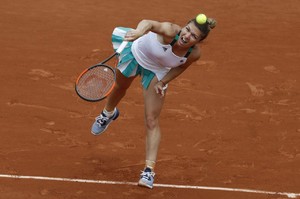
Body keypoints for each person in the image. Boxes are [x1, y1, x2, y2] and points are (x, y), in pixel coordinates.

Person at [91, 14, 216, 189]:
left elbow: (181, 67)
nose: (187, 36)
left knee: (152, 120)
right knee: (120, 87)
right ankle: (108, 113)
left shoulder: (194, 54)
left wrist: (163, 82)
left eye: (194, 36)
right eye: (187, 30)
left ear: (198, 42)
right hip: (136, 54)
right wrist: (138, 32)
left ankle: (148, 171)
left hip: (157, 71)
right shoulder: (171, 30)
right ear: (184, 26)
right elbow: (148, 23)